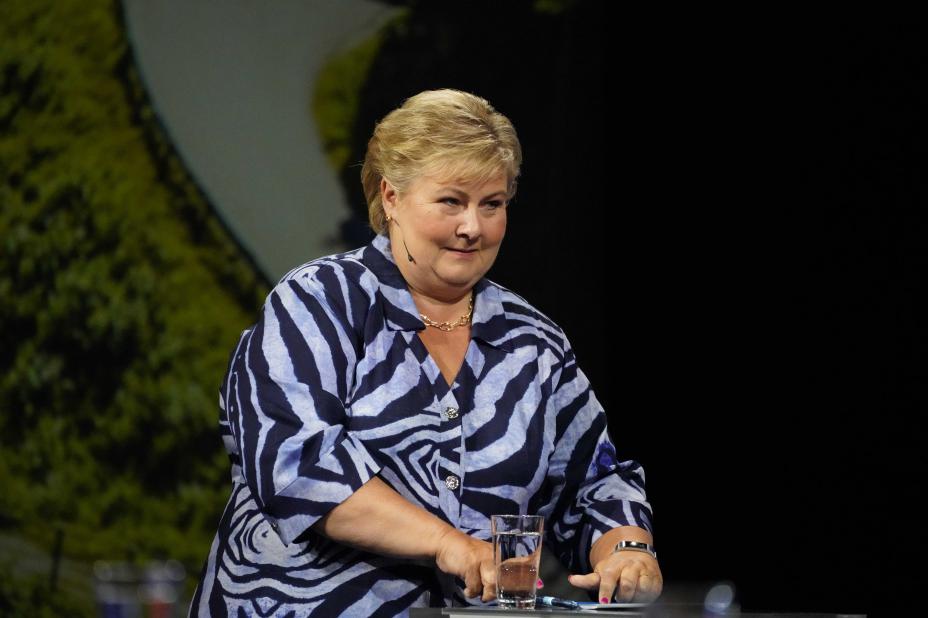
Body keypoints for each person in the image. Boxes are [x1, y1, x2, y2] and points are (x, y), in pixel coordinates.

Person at [189, 89, 661, 617]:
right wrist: (446, 543)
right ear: (391, 197)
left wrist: (627, 549)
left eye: (492, 204)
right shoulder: (318, 302)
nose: (472, 227)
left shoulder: (534, 343)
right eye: (451, 201)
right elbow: (299, 466)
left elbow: (595, 480)